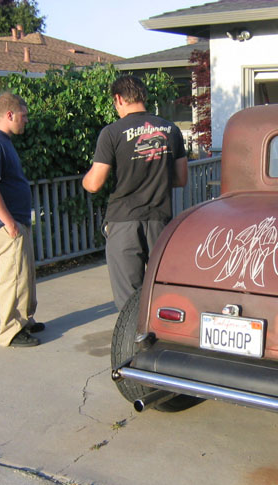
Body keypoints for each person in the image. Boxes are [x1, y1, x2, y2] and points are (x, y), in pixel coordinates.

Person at [83, 75, 188, 310]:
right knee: (159, 288)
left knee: (129, 298)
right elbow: (181, 178)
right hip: (160, 219)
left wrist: (85, 179)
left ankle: (133, 342)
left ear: (118, 98)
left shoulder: (112, 133)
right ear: (143, 96)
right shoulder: (171, 130)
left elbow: (95, 183)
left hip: (124, 221)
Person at [0, 92, 44, 347]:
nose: (25, 121)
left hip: (16, 219)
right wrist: (8, 222)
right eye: (23, 116)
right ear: (9, 115)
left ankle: (24, 319)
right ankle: (10, 331)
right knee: (12, 277)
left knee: (24, 274)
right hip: (7, 223)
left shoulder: (2, 141)